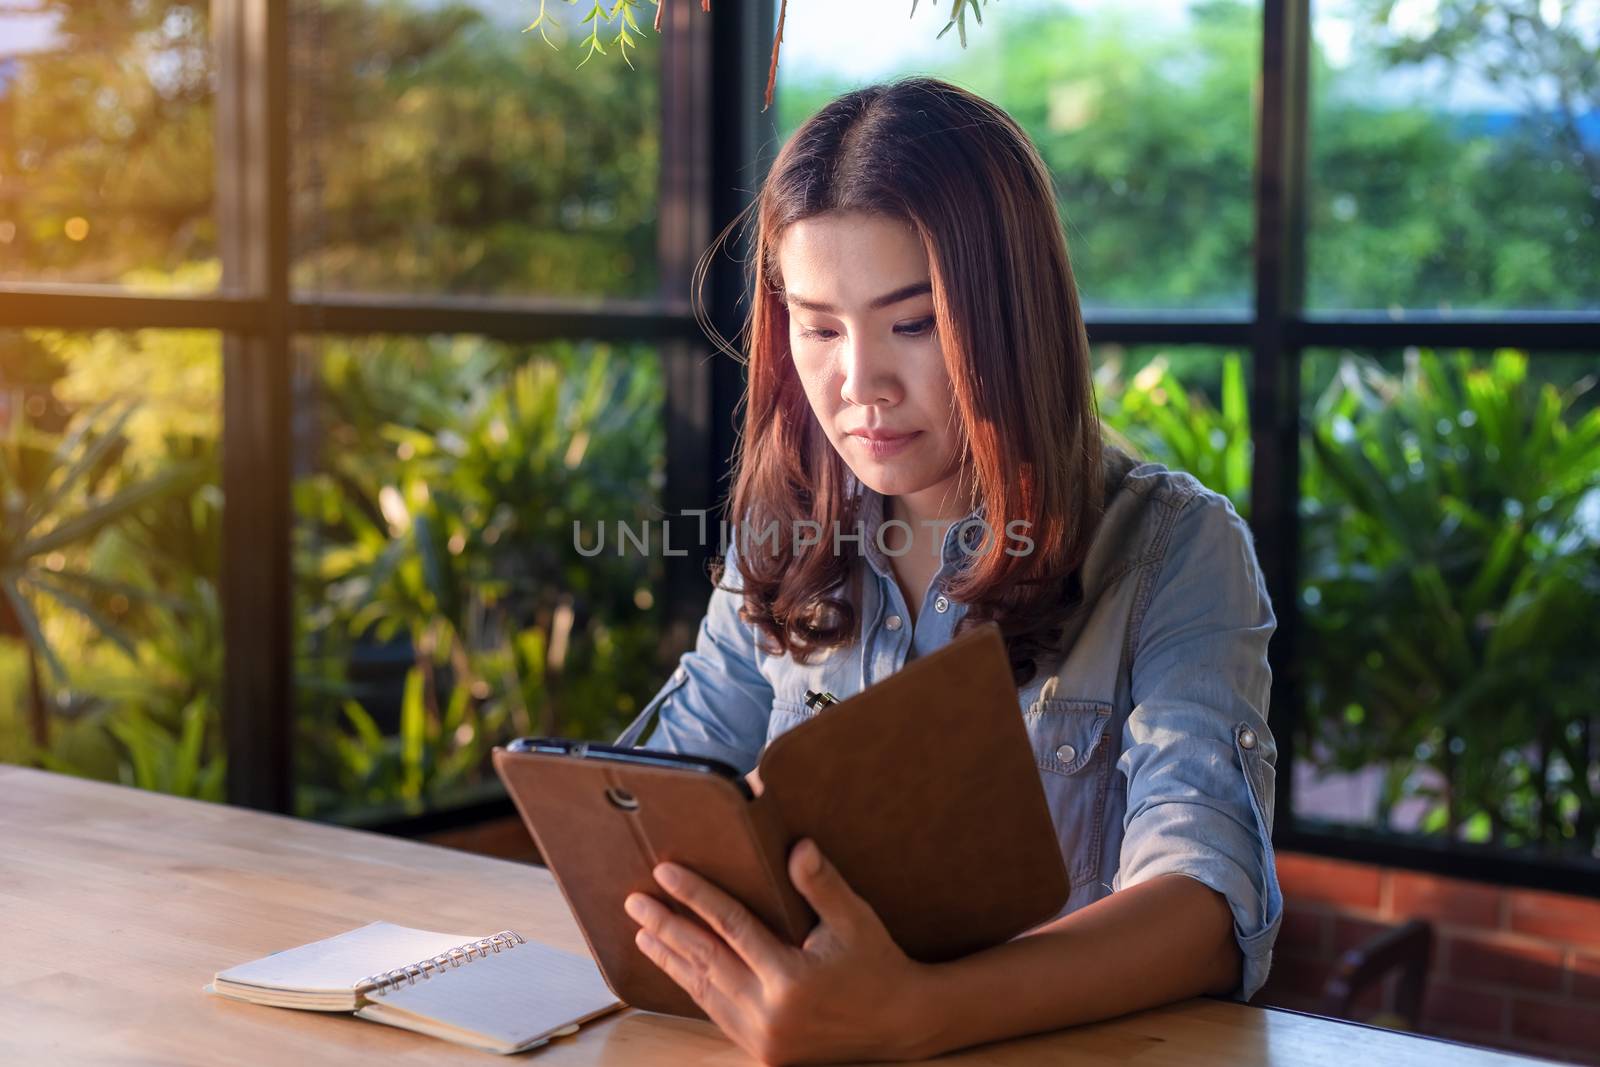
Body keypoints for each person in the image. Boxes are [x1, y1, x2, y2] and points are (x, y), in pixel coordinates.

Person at [613, 76, 1281, 1065]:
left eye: (912, 322)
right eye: (819, 325)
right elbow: (657, 806)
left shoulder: (1170, 548)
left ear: (1011, 314)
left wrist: (914, 1012)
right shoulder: (781, 536)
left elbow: (1201, 905)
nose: (859, 384)